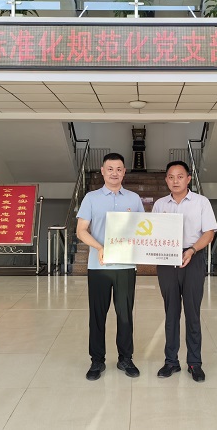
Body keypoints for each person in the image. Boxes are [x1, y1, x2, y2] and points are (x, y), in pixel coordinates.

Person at [76, 152, 145, 381]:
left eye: (119, 169)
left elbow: (144, 229)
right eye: (110, 169)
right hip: (99, 266)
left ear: (124, 172)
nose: (114, 173)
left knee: (125, 315)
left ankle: (126, 358)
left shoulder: (134, 199)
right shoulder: (91, 198)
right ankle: (97, 360)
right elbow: (81, 231)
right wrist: (99, 247)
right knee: (97, 315)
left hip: (126, 266)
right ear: (103, 171)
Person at [152, 161, 217, 382]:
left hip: (193, 257)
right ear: (166, 180)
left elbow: (209, 233)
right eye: (171, 177)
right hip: (166, 260)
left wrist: (191, 250)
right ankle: (171, 361)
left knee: (192, 312)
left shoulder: (201, 202)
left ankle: (194, 363)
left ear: (188, 179)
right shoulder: (160, 204)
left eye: (180, 176)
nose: (175, 181)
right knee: (171, 312)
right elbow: (152, 233)